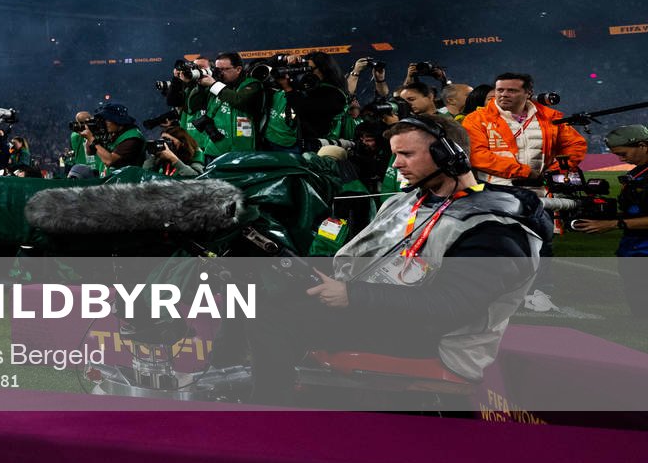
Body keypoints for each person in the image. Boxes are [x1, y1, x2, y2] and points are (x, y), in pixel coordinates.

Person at [256, 116, 543, 399]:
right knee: (260, 296)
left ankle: (271, 415)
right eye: (395, 154)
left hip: (436, 339)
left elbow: (454, 305)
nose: (395, 165)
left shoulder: (495, 228)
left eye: (406, 154)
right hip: (388, 314)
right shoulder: (404, 201)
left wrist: (352, 295)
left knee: (273, 316)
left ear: (449, 156)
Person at [570, 125, 648, 316]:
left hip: (643, 247)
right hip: (634, 246)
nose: (621, 159)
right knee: (638, 306)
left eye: (623, 153)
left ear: (643, 146)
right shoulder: (637, 173)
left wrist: (613, 224)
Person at [461, 72, 589, 184]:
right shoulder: (476, 119)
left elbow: (575, 145)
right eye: (500, 90)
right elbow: (477, 156)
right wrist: (525, 173)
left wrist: (555, 170)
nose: (504, 95)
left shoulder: (549, 117)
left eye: (511, 91)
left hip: (542, 190)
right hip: (497, 191)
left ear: (528, 93)